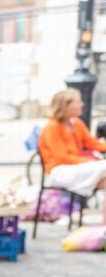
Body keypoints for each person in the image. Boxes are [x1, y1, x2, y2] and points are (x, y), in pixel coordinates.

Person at [38, 89, 106, 223]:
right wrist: (87, 161)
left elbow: (94, 144)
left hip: (79, 168)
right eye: (77, 102)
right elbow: (60, 158)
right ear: (64, 106)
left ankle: (104, 228)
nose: (82, 105)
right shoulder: (51, 128)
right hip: (60, 171)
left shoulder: (76, 124)